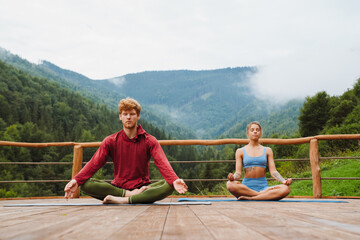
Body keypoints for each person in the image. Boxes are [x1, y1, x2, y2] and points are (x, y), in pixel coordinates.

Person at [64, 97, 188, 204]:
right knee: (85, 184)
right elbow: (94, 163)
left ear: (138, 116)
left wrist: (174, 179)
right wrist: (76, 180)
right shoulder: (110, 141)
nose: (128, 117)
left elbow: (162, 162)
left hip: (143, 187)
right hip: (118, 188)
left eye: (132, 114)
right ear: (120, 116)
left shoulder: (149, 140)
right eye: (125, 114)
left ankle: (124, 199)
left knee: (170, 184)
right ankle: (130, 196)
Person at [226, 121, 292, 200]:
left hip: (264, 187)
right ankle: (260, 196)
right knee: (230, 184)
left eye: (257, 130)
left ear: (260, 133)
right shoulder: (240, 151)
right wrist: (233, 177)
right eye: (252, 130)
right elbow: (238, 173)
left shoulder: (268, 150)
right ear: (248, 133)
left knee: (286, 189)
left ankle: (251, 198)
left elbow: (273, 172)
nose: (255, 131)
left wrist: (284, 181)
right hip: (246, 188)